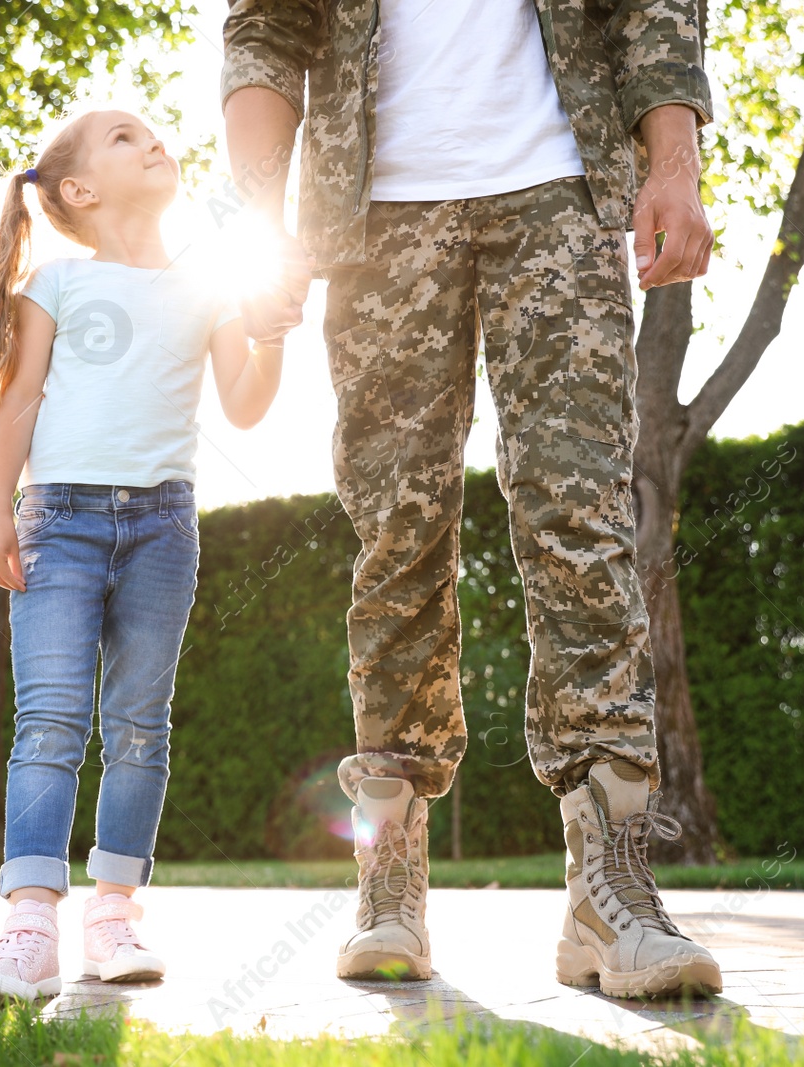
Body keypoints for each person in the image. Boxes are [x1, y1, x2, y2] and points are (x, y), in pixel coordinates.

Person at [221, 0, 724, 997]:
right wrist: (256, 218)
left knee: (579, 520)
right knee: (396, 534)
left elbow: (654, 12)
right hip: (371, 212)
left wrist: (674, 168)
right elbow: (266, 31)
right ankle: (389, 880)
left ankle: (608, 886)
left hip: (558, 188)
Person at [0, 108, 286, 1004]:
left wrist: (275, 333)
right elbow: (16, 405)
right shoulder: (57, 281)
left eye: (151, 133)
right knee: (51, 723)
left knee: (140, 723)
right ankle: (28, 926)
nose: (154, 142)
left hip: (163, 527)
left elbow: (246, 405)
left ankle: (114, 914)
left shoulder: (208, 283)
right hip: (56, 521)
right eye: (125, 137)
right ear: (79, 191)